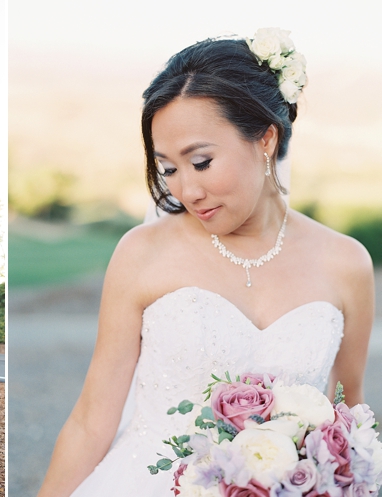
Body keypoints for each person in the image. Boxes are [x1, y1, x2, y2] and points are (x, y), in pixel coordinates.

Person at [37, 29, 374, 496]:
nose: (186, 191)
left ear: (266, 139)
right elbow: (92, 420)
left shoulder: (346, 263)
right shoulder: (142, 254)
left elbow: (348, 417)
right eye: (168, 169)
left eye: (201, 162)